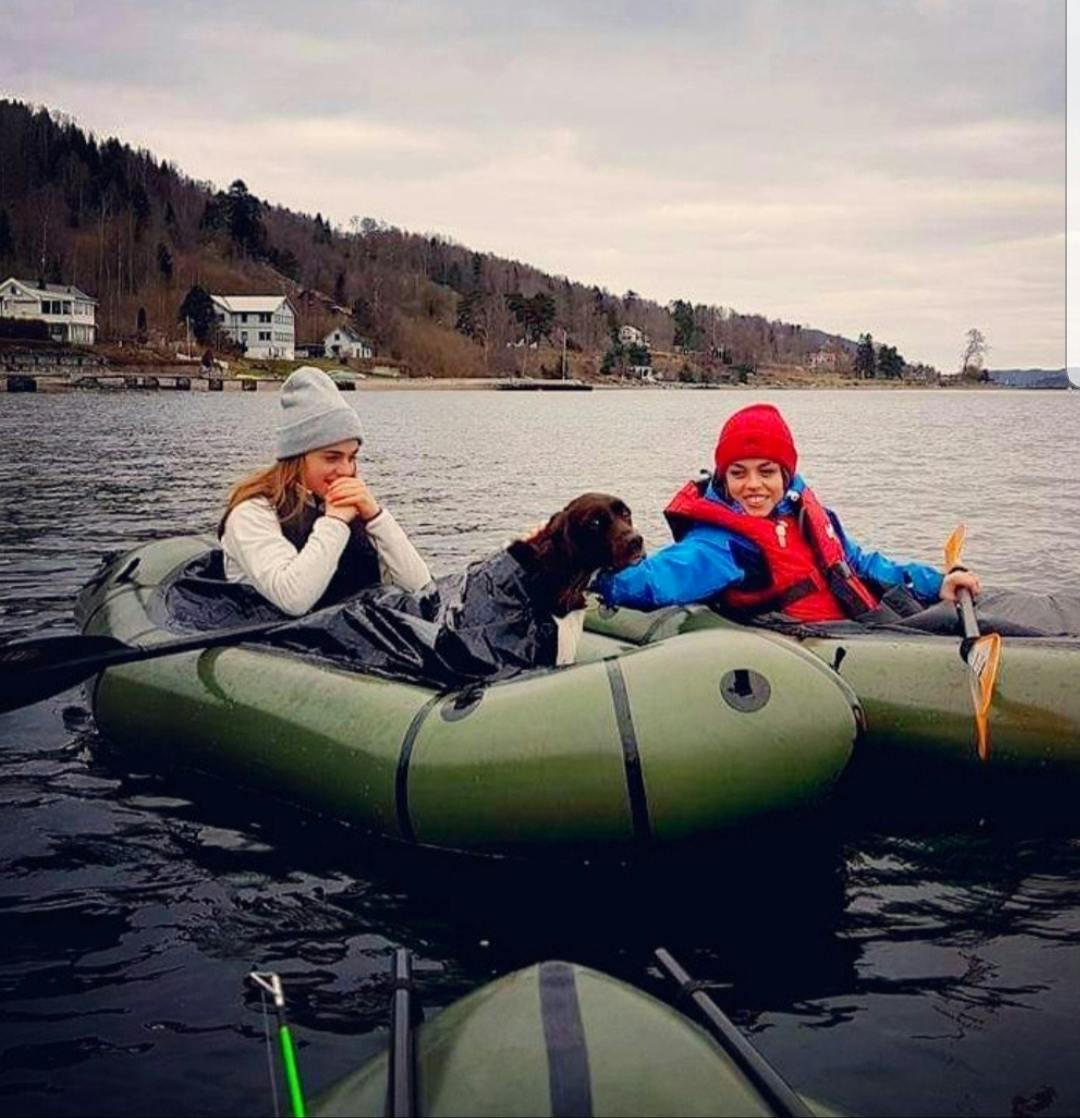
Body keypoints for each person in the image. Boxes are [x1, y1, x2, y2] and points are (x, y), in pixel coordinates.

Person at [593, 403, 980, 623]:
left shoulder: (801, 511)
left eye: (767, 472)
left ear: (785, 475)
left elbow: (859, 562)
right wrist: (592, 578)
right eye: (738, 473)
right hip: (811, 650)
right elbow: (658, 580)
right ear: (724, 479)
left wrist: (934, 583)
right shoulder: (720, 546)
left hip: (857, 624)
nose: (754, 485)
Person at [219, 366, 431, 615]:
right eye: (332, 458)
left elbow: (422, 588)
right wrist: (335, 522)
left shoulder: (347, 503)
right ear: (297, 458)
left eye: (352, 457)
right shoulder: (252, 512)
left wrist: (376, 518)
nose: (345, 470)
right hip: (268, 639)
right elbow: (293, 598)